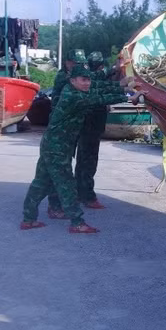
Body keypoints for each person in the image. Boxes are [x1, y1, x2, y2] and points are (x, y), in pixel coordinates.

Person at [21, 65, 130, 234]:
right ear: (73, 81)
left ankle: (28, 219)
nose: (87, 83)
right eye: (83, 80)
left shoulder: (72, 90)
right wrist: (129, 95)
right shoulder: (74, 96)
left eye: (88, 80)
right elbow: (99, 98)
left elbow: (97, 89)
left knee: (41, 182)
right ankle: (77, 222)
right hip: (58, 147)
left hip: (52, 144)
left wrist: (123, 86)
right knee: (66, 184)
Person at [47, 49, 88, 218]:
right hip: (60, 130)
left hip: (69, 128)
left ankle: (65, 201)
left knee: (65, 166)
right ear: (68, 62)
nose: (77, 66)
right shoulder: (64, 78)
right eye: (75, 63)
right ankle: (54, 205)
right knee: (58, 169)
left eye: (80, 63)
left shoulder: (75, 76)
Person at [74, 51, 117, 209]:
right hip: (91, 128)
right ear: (99, 65)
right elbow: (110, 72)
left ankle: (78, 193)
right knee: (89, 163)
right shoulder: (94, 78)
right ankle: (88, 196)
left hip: (85, 127)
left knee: (81, 161)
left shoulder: (85, 78)